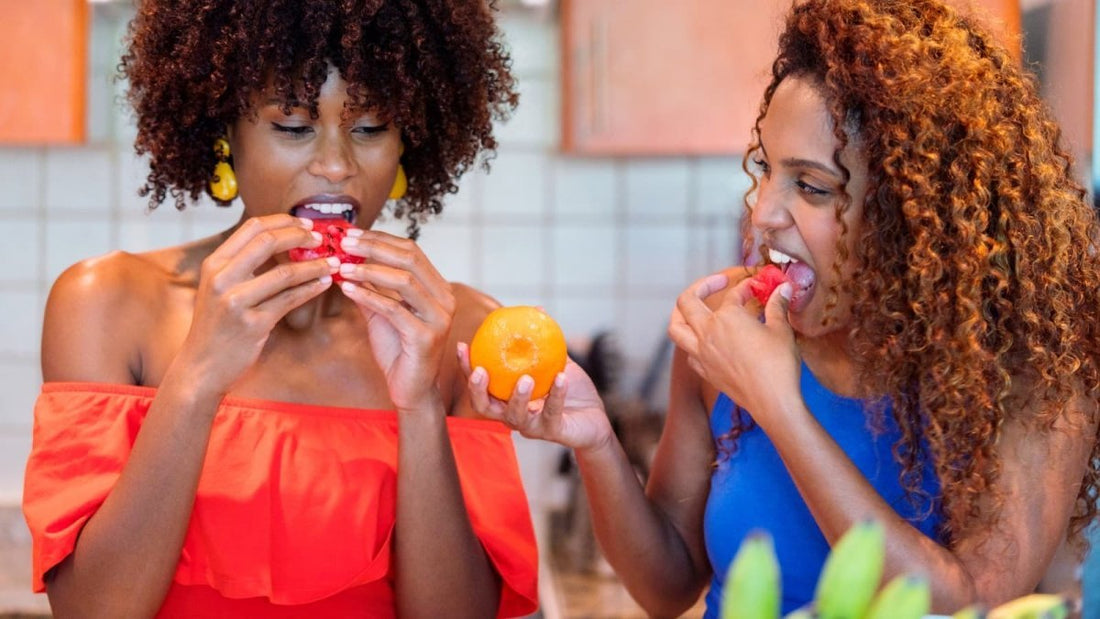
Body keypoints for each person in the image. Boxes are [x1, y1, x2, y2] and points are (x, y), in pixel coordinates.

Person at [460, 0, 1100, 615]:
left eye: (812, 187)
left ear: (916, 215)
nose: (761, 214)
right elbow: (667, 587)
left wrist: (778, 407)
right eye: (765, 168)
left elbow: (965, 605)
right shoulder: (731, 336)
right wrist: (597, 443)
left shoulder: (1033, 372)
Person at [22, 1, 538, 617]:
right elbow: (90, 610)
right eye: (292, 127)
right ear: (225, 138)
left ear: (407, 147)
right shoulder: (105, 305)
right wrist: (198, 376)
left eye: (370, 127)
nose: (336, 165)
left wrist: (419, 402)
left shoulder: (460, 330)